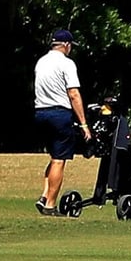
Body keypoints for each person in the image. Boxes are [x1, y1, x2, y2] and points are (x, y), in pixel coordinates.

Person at [33, 29, 92, 216]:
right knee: (60, 160)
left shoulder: (41, 62)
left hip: (40, 113)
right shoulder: (67, 64)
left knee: (53, 157)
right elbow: (73, 94)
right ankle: (50, 205)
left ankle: (44, 195)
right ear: (66, 45)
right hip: (59, 113)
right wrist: (84, 124)